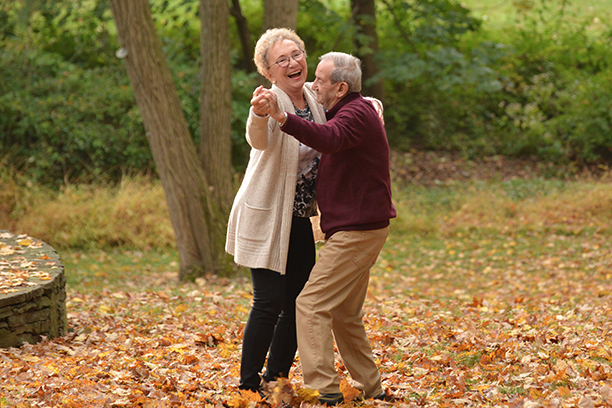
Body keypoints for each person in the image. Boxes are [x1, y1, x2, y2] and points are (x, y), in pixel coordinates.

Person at [255, 52, 397, 404]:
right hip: (357, 229)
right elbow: (329, 128)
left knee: (311, 304)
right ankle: (371, 388)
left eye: (319, 80)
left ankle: (325, 391)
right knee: (345, 315)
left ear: (341, 87)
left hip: (358, 232)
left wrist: (282, 116)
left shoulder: (356, 113)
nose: (311, 85)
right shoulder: (353, 109)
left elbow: (329, 138)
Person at [224, 28, 326, 394]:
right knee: (268, 302)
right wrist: (257, 113)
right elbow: (258, 137)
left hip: (298, 218)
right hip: (266, 214)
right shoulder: (270, 100)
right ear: (268, 72)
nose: (292, 63)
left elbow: (345, 109)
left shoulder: (315, 96)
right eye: (281, 60)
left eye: (296, 54)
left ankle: (275, 381)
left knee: (301, 302)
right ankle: (247, 388)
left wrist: (371, 105)